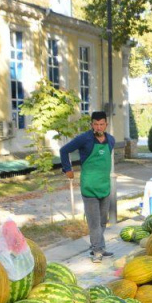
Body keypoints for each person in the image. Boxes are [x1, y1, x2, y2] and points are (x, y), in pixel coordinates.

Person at [60, 111, 116, 262]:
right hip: (89, 187)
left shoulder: (111, 140)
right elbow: (64, 150)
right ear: (92, 124)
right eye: (96, 124)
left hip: (104, 186)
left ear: (106, 124)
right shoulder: (84, 138)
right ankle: (97, 250)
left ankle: (99, 247)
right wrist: (68, 169)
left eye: (101, 124)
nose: (99, 127)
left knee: (103, 221)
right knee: (94, 223)